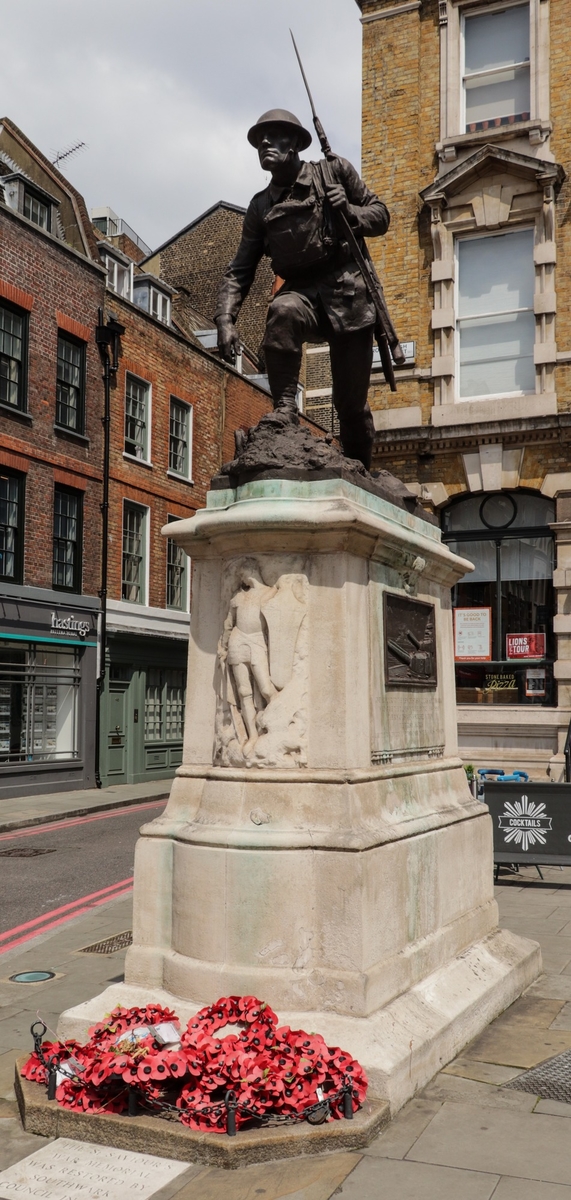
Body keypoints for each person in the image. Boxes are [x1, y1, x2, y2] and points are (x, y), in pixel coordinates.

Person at [215, 109, 392, 470]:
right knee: (282, 311)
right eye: (259, 139)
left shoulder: (333, 170)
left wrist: (352, 214)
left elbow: (381, 215)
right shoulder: (260, 207)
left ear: (295, 142)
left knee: (350, 407)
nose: (264, 143)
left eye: (274, 135)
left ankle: (362, 471)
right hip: (303, 296)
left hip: (349, 296)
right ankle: (284, 408)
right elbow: (240, 270)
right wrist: (225, 317)